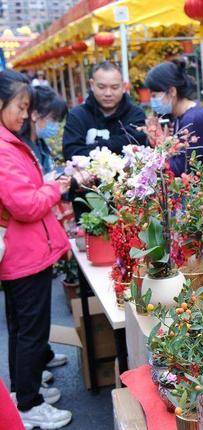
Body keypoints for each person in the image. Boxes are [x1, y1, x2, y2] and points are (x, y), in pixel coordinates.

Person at [0, 70, 72, 429]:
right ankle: (30, 405)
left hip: (21, 252)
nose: (26, 115)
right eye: (21, 106)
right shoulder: (3, 148)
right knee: (30, 331)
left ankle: (22, 393)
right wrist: (53, 189)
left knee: (22, 329)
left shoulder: (7, 142)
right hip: (24, 254)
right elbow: (25, 205)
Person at [145, 59, 203, 175]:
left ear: (172, 91)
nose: (152, 101)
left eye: (155, 95)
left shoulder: (194, 119)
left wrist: (159, 146)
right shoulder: (181, 118)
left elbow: (180, 169)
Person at [62, 61, 146, 160]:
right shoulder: (77, 115)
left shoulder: (136, 114)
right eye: (101, 87)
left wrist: (91, 148)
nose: (108, 93)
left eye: (114, 87)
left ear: (124, 87)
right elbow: (72, 153)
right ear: (92, 85)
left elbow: (138, 145)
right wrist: (120, 143)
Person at [20, 85, 68, 177]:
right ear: (34, 115)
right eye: (54, 119)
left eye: (59, 120)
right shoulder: (22, 148)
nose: (56, 125)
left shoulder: (40, 143)